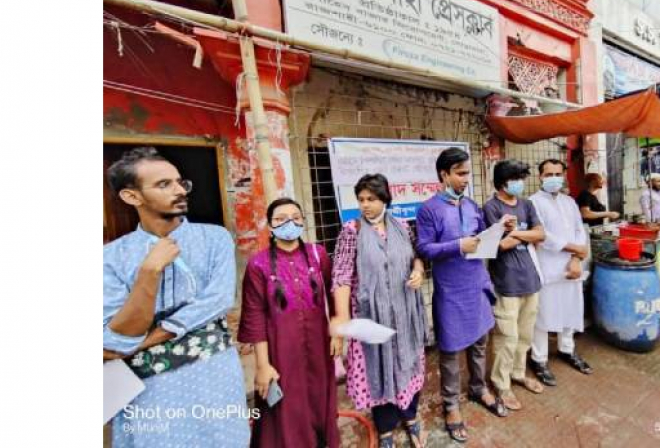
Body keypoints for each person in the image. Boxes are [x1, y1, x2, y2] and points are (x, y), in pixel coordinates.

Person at [103, 147, 250, 447]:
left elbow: (218, 299)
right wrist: (148, 272)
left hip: (215, 375)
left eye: (181, 182)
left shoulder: (214, 238)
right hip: (148, 388)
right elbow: (114, 337)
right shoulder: (111, 257)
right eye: (164, 184)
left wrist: (144, 341)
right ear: (132, 196)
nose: (180, 190)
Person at [416, 147, 510, 443]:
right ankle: (451, 404)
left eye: (467, 173)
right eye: (460, 173)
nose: (465, 179)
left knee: (481, 341)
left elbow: (483, 240)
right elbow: (424, 248)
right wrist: (457, 245)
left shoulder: (471, 206)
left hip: (476, 283)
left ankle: (479, 387)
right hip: (450, 290)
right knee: (450, 349)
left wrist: (501, 229)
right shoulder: (429, 209)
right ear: (444, 175)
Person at [329, 174, 428, 448]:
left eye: (371, 199)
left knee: (408, 363)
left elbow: (416, 257)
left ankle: (410, 416)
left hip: (406, 315)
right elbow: (341, 277)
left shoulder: (402, 226)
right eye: (361, 199)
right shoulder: (352, 231)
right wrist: (342, 322)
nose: (365, 205)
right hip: (372, 317)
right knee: (379, 369)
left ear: (385, 199)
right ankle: (385, 429)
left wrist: (418, 271)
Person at [238, 198, 340, 448]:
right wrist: (262, 365)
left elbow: (333, 293)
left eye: (295, 217)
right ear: (270, 225)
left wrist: (337, 333)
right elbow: (255, 316)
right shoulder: (258, 264)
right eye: (281, 219)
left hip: (319, 344)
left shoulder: (318, 255)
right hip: (281, 349)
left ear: (303, 221)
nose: (289, 223)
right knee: (286, 407)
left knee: (319, 398)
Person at [482, 160, 546, 411]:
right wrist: (523, 234)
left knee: (525, 334)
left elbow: (541, 234)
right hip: (506, 281)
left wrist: (515, 232)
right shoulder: (491, 207)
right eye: (516, 178)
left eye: (522, 178)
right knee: (507, 337)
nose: (520, 183)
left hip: (531, 279)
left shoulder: (526, 204)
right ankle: (502, 383)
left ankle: (518, 373)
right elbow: (498, 245)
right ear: (502, 182)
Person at [528, 159, 594, 388]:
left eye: (558, 173)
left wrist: (576, 258)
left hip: (572, 265)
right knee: (543, 314)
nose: (554, 178)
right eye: (549, 174)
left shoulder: (570, 202)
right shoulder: (533, 203)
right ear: (540, 177)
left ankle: (567, 349)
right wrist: (572, 248)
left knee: (570, 308)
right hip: (548, 267)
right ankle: (539, 359)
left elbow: (579, 230)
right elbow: (541, 236)